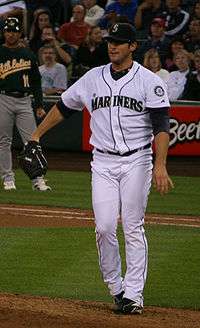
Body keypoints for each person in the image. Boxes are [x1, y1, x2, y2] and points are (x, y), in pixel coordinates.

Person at [23, 22, 173, 314]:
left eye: (119, 41)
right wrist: (36, 135)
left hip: (137, 161)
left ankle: (133, 295)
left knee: (132, 225)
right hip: (102, 161)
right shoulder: (93, 78)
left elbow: (162, 125)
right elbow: (64, 107)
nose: (112, 46)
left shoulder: (148, 81)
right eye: (110, 41)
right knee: (104, 227)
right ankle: (116, 287)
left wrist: (161, 164)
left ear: (132, 46)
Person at [0, 17, 51, 191]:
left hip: (24, 100)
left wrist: (39, 105)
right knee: (4, 141)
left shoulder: (27, 55)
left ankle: (37, 179)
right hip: (3, 98)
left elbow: (36, 82)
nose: (11, 34)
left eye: (14, 31)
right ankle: (8, 178)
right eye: (8, 31)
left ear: (20, 33)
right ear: (4, 32)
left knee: (32, 141)